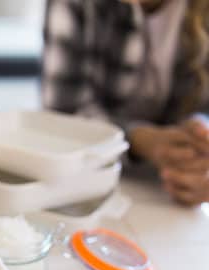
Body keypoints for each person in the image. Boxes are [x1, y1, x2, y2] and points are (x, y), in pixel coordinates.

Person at [42, 0, 209, 206]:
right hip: (88, 183)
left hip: (163, 197)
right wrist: (140, 140)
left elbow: (203, 110)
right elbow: (61, 118)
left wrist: (199, 150)